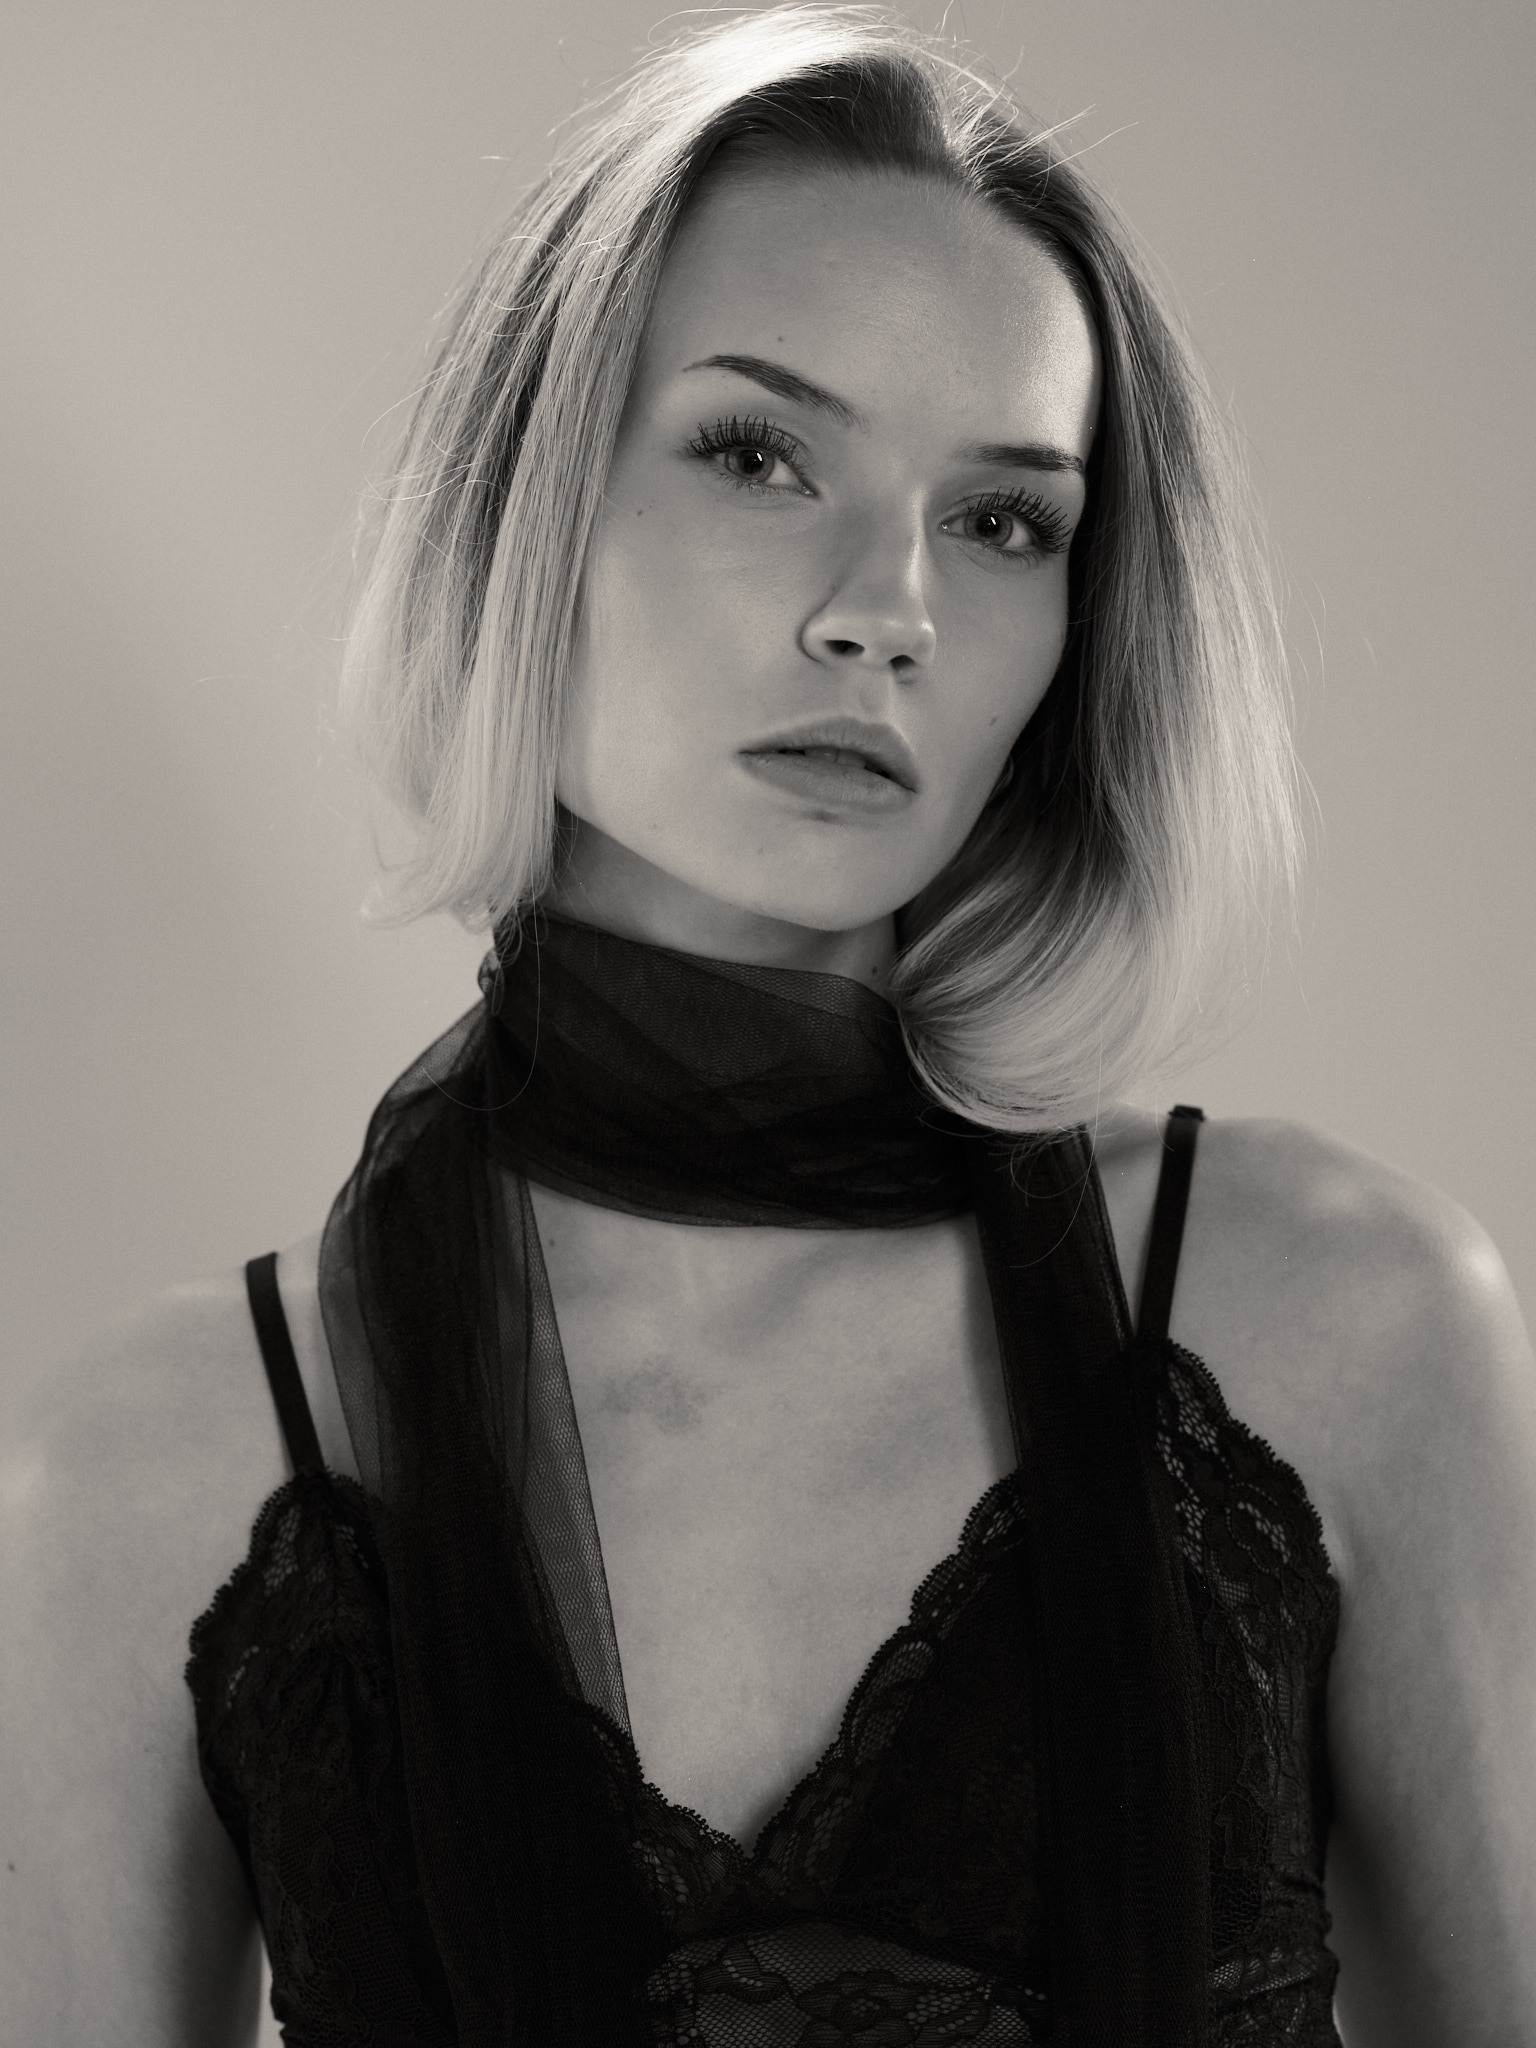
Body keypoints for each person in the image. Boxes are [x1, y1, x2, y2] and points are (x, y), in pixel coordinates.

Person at [4, 7, 1533, 2045]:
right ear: (527, 508)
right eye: (757, 453)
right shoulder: (155, 1476)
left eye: (1004, 519)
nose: (885, 607)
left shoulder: (1338, 1326)